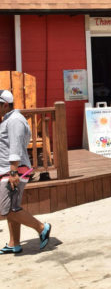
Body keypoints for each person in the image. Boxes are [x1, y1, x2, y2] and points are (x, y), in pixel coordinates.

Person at [0, 90, 51, 254]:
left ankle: (41, 227)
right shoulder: (10, 119)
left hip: (13, 170)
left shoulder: (14, 120)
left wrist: (13, 172)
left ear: (5, 105)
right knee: (13, 208)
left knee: (6, 209)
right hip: (9, 169)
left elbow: (15, 146)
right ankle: (14, 243)